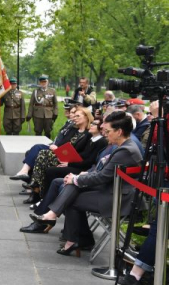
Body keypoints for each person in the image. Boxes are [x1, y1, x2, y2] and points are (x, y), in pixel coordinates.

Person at [29, 111, 142, 256]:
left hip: (119, 198)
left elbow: (102, 177)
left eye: (107, 131)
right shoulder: (125, 145)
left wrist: (76, 179)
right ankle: (71, 234)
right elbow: (103, 173)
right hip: (112, 190)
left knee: (72, 198)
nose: (105, 134)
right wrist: (78, 178)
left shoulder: (126, 150)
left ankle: (75, 237)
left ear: (119, 131)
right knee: (71, 188)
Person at [27, 74, 58, 139]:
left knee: (48, 131)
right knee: (38, 131)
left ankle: (47, 146)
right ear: (39, 83)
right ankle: (38, 145)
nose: (43, 83)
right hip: (38, 114)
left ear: (48, 82)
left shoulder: (52, 91)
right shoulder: (35, 92)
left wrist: (55, 113)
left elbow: (55, 103)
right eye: (42, 82)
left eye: (45, 82)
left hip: (49, 114)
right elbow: (31, 104)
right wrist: (29, 114)